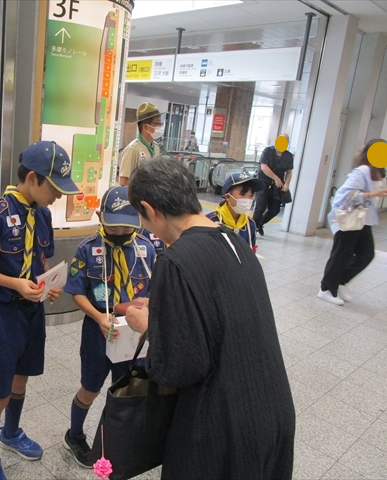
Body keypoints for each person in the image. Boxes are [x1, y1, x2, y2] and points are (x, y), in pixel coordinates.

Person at [124, 158, 295, 480]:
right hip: (273, 413)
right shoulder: (237, 243)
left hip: (221, 429)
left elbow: (180, 366)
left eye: (140, 216)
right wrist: (167, 309)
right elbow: (220, 313)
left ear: (150, 208)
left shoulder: (174, 261)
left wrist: (149, 326)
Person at [0, 141, 80, 480]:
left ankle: (11, 433)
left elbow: (39, 260)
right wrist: (15, 285)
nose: (59, 195)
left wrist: (48, 286)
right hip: (2, 316)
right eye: (54, 187)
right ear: (32, 178)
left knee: (21, 378)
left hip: (32, 314)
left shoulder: (42, 215)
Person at [62, 185, 155, 468]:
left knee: (125, 389)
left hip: (133, 334)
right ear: (100, 216)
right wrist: (98, 317)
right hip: (97, 330)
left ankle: (118, 438)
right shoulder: (88, 248)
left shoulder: (146, 248)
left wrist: (148, 306)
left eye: (127, 227)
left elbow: (154, 289)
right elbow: (77, 292)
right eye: (113, 227)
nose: (120, 233)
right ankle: (74, 434)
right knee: (90, 387)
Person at [318, 139, 387, 306]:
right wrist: (373, 195)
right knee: (341, 254)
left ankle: (341, 281)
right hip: (350, 218)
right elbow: (344, 196)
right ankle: (326, 289)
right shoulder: (362, 171)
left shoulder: (378, 171)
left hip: (363, 220)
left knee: (366, 254)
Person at [206, 172, 265, 251]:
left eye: (251, 196)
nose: (247, 200)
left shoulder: (250, 224)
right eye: (243, 194)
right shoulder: (210, 221)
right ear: (227, 196)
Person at [253, 133, 294, 236]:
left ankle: (260, 224)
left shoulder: (288, 155)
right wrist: (275, 178)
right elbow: (264, 167)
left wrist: (287, 184)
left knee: (275, 209)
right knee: (260, 208)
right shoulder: (268, 151)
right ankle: (252, 229)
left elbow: (289, 171)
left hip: (277, 186)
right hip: (264, 183)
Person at [119, 102, 163, 186]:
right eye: (157, 123)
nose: (160, 126)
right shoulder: (132, 149)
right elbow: (124, 181)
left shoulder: (156, 148)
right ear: (145, 126)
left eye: (161, 123)